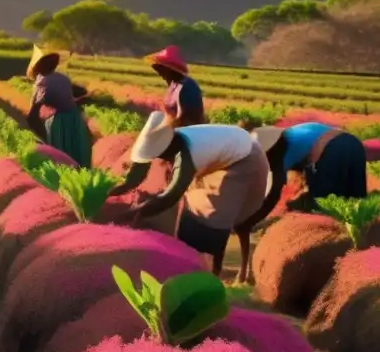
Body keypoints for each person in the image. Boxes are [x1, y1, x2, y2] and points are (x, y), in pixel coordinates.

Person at [108, 111, 269, 283]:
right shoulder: (158, 142)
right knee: (192, 208)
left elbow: (170, 196)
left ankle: (213, 276)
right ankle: (187, 266)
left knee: (214, 214)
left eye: (162, 156)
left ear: (169, 146)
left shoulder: (187, 153)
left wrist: (134, 213)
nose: (162, 160)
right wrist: (108, 194)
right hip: (219, 158)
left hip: (244, 159)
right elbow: (135, 177)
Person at [237, 123, 368, 229]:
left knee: (323, 203)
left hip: (333, 150)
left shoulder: (280, 151)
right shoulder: (293, 134)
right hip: (354, 144)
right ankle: (363, 237)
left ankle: (334, 238)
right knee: (356, 201)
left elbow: (273, 194)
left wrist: (250, 222)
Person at [25, 46, 92, 167]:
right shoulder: (63, 78)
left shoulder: (41, 82)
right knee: (76, 153)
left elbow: (32, 114)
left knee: (61, 157)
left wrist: (40, 137)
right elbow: (73, 95)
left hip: (60, 122)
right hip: (75, 119)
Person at [147, 45, 206, 128]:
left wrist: (162, 131)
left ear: (170, 70)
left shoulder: (186, 86)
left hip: (187, 131)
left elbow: (181, 117)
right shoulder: (173, 85)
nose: (160, 73)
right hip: (173, 128)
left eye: (161, 70)